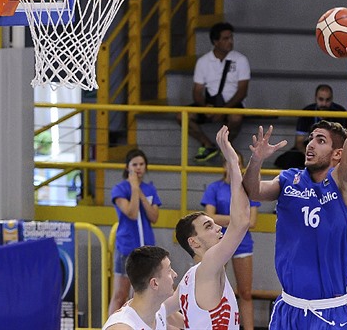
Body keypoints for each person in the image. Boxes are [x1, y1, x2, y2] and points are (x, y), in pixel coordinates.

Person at [242, 34, 347, 329]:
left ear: (338, 154)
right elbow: (252, 190)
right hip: (289, 308)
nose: (310, 145)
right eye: (311, 138)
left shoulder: (343, 185)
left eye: (321, 140)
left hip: (331, 312)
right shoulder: (288, 180)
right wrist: (257, 160)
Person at [163, 125, 251, 329]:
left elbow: (159, 311)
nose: (219, 228)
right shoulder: (209, 265)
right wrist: (233, 161)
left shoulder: (187, 280)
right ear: (194, 242)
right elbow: (241, 222)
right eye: (208, 226)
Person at [200, 152, 260, 330]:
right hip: (218, 244)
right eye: (231, 162)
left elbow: (252, 222)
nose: (235, 166)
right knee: (214, 291)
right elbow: (208, 217)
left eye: (239, 163)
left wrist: (230, 221)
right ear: (225, 166)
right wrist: (237, 220)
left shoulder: (247, 190)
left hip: (242, 244)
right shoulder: (214, 188)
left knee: (245, 292)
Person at [176, 22, 251, 162]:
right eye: (225, 38)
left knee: (236, 118)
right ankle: (207, 144)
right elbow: (197, 91)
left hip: (232, 105)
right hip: (210, 105)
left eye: (231, 38)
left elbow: (242, 91)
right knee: (182, 116)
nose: (230, 41)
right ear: (215, 42)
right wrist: (205, 107)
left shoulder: (241, 60)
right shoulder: (203, 61)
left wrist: (223, 110)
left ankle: (225, 146)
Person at [108, 149, 162, 315]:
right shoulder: (120, 189)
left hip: (146, 248)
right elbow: (131, 213)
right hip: (127, 247)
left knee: (141, 294)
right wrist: (133, 188)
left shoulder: (150, 189)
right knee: (120, 294)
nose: (138, 168)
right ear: (127, 167)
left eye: (141, 164)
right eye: (134, 164)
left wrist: (140, 192)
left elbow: (154, 217)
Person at [103, 246, 179, 330]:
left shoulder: (157, 309)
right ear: (154, 283)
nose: (175, 274)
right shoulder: (122, 327)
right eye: (169, 270)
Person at [275, 84, 347, 169]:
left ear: (332, 99)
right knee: (286, 160)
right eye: (321, 99)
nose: (324, 104)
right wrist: (311, 153)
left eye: (327, 100)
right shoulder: (307, 112)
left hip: (333, 149)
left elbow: (346, 141)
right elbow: (299, 142)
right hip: (311, 147)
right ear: (315, 98)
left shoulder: (340, 112)